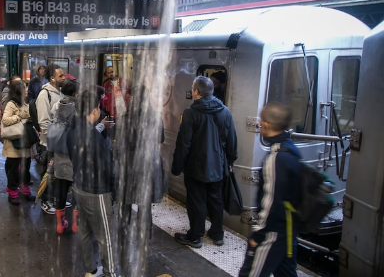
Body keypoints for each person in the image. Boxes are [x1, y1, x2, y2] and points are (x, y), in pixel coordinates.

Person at [171, 75, 238, 248]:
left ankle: (195, 236)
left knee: (196, 202)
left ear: (196, 91)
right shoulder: (225, 111)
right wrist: (230, 161)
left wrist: (177, 168)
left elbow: (184, 144)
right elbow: (232, 141)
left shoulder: (191, 113)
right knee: (216, 200)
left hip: (196, 167)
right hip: (219, 166)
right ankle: (217, 234)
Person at [239, 102, 301, 277]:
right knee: (287, 274)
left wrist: (258, 235)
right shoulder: (290, 149)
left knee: (250, 274)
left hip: (272, 233)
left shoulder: (276, 158)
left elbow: (271, 201)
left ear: (265, 125)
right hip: (288, 230)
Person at [67, 90, 119, 277]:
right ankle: (111, 273)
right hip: (97, 193)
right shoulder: (94, 138)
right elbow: (108, 167)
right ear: (94, 110)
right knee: (105, 237)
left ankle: (90, 271)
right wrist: (115, 191)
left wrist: (100, 128)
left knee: (85, 232)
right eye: (98, 106)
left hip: (79, 187)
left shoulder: (73, 129)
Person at [115, 86, 164, 274]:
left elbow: (118, 143)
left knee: (125, 201)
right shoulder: (156, 116)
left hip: (128, 165)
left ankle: (124, 233)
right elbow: (160, 138)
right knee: (145, 203)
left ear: (133, 98)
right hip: (148, 164)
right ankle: (145, 234)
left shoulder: (124, 119)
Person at [49, 77, 79, 234]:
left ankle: (60, 225)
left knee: (60, 190)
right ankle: (76, 225)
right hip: (74, 156)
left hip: (59, 155)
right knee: (77, 192)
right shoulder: (79, 109)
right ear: (75, 92)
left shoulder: (56, 106)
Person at [1, 80, 36, 205]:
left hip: (24, 142)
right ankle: (13, 193)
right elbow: (5, 120)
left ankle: (24, 189)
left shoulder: (25, 103)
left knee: (25, 168)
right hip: (13, 144)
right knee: (13, 169)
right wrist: (19, 117)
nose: (26, 90)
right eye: (24, 88)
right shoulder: (11, 104)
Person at [36, 64, 65, 215]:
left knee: (57, 173)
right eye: (61, 75)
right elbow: (43, 122)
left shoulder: (59, 93)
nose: (64, 77)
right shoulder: (44, 95)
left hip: (59, 141)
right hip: (48, 143)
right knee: (48, 174)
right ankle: (45, 201)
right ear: (52, 78)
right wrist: (53, 140)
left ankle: (54, 197)